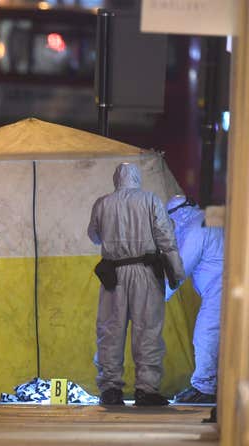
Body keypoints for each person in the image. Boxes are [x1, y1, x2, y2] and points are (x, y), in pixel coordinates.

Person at [87, 163, 185, 406]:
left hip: (114, 274)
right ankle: (146, 389)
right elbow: (166, 237)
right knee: (148, 329)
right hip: (146, 272)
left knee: (110, 331)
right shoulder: (150, 199)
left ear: (116, 179)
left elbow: (94, 236)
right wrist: (177, 271)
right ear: (136, 178)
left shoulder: (102, 203)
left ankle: (110, 389)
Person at [165, 195, 223, 404]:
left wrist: (156, 297)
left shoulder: (193, 228)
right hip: (231, 284)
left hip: (220, 288)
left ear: (177, 215)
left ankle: (205, 387)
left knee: (205, 335)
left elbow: (179, 270)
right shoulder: (211, 218)